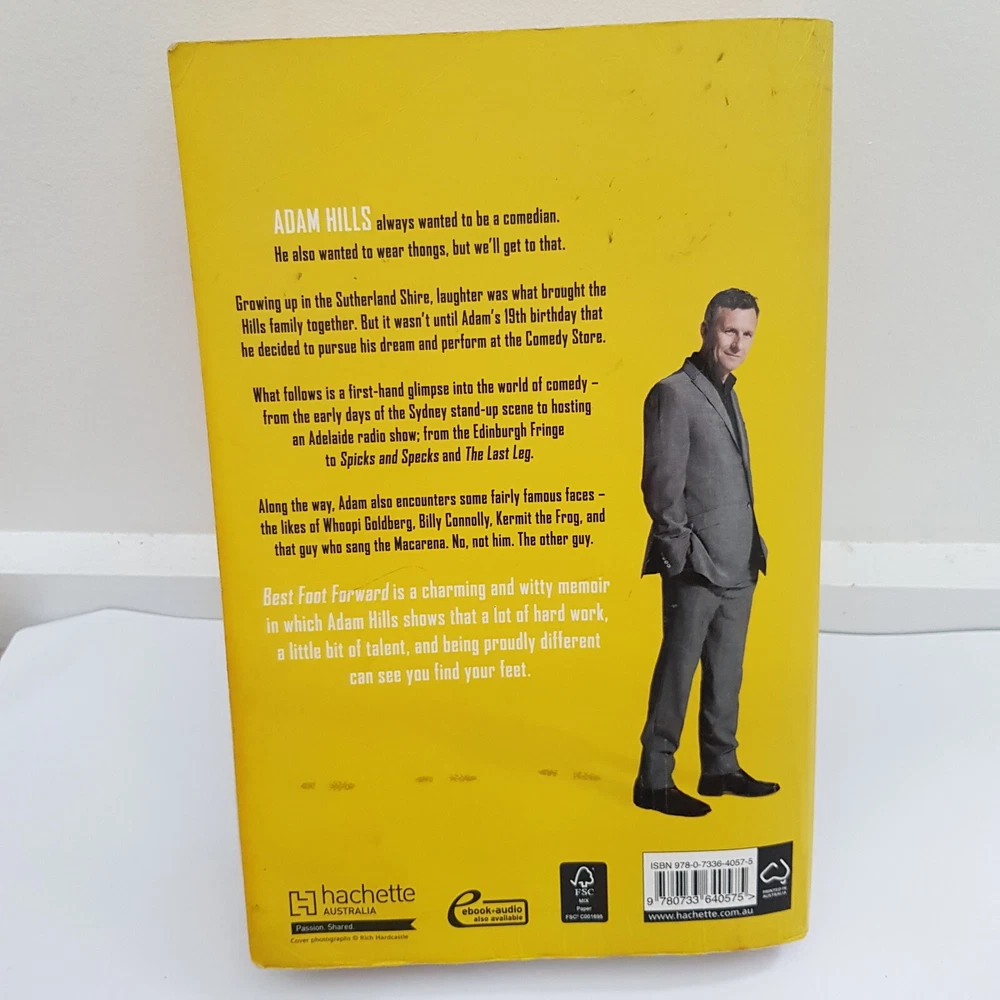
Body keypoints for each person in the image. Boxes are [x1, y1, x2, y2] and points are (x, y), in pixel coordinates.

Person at [634, 288, 780, 818]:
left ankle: (719, 767)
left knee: (726, 672)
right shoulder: (672, 393)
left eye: (747, 334)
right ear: (705, 329)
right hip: (696, 564)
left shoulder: (727, 391)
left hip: (741, 561)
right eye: (729, 331)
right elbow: (661, 487)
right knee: (678, 672)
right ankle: (654, 781)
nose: (738, 343)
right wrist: (681, 554)